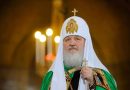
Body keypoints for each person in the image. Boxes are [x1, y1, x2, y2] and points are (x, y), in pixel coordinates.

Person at [40, 12, 117, 90]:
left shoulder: (101, 76)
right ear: (62, 45)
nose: (72, 43)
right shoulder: (51, 77)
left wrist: (92, 81)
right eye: (67, 39)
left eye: (77, 38)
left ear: (85, 43)